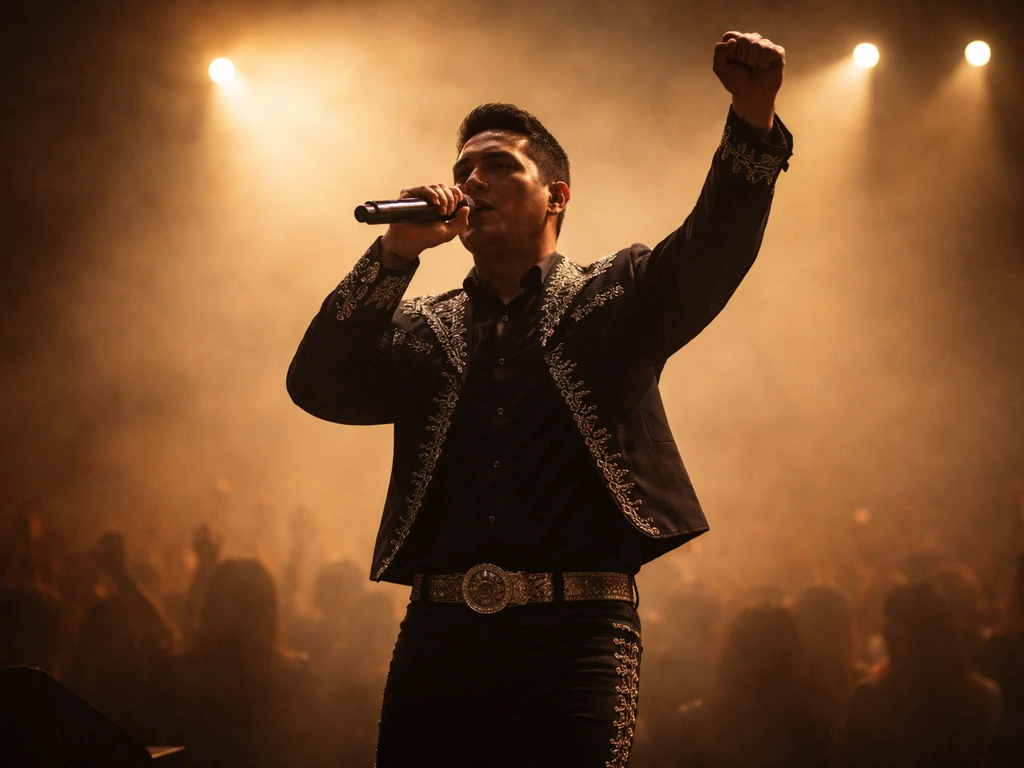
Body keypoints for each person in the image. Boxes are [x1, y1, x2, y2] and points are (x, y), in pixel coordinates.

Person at [288, 30, 792, 767]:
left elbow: (714, 247)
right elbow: (316, 383)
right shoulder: (422, 330)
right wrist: (394, 255)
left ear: (556, 195)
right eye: (463, 170)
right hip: (438, 637)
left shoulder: (614, 298)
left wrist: (752, 117)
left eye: (499, 165)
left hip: (576, 639)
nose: (472, 181)